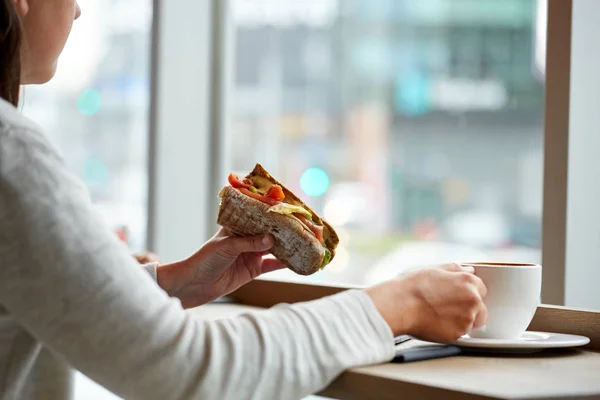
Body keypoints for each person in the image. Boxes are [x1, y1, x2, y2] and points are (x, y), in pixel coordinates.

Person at [0, 1, 488, 399]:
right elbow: (184, 370)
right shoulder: (12, 154)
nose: (80, 10)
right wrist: (397, 303)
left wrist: (169, 284)